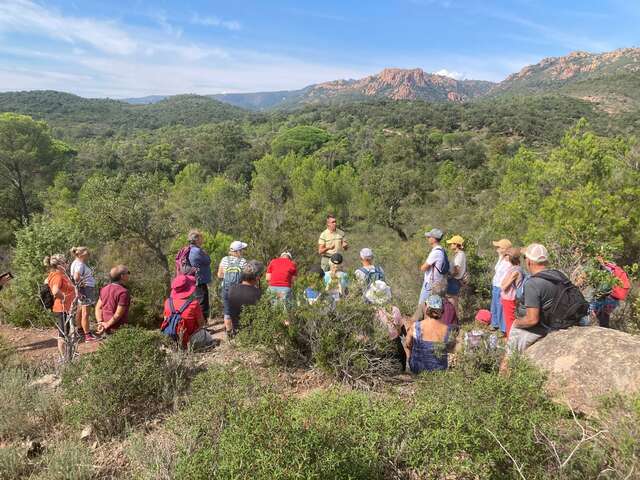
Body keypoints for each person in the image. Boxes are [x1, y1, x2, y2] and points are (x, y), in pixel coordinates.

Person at [506, 244, 563, 355]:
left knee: (509, 359)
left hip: (537, 329)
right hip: (553, 323)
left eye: (525, 258)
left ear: (529, 261)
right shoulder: (558, 275)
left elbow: (532, 320)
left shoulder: (533, 284)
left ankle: (506, 369)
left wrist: (516, 323)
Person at [161, 274, 214, 349]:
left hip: (172, 338)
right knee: (208, 337)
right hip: (190, 339)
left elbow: (166, 320)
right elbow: (201, 324)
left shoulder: (167, 302)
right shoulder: (194, 304)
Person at [405, 295, 455, 374]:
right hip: (439, 370)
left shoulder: (416, 326)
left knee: (410, 345)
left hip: (418, 369)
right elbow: (451, 348)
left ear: (426, 308)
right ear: (441, 310)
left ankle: (409, 367)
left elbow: (408, 344)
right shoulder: (448, 330)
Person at [366, 280, 406, 372]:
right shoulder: (394, 310)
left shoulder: (370, 312)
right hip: (395, 346)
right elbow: (401, 331)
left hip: (378, 347)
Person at [44, 254, 76, 359]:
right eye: (65, 262)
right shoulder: (57, 275)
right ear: (59, 265)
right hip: (61, 308)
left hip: (67, 308)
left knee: (67, 332)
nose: (67, 264)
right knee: (63, 334)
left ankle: (68, 355)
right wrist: (64, 298)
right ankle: (63, 358)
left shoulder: (62, 274)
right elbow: (55, 291)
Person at [218, 240, 248, 337]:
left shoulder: (224, 259)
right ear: (238, 251)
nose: (243, 251)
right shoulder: (243, 261)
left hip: (226, 288)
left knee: (227, 311)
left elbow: (219, 274)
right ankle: (238, 331)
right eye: (242, 250)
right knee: (238, 310)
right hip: (238, 289)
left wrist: (228, 277)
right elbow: (245, 277)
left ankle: (229, 334)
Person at [227, 261, 264, 337]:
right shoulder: (258, 294)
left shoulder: (231, 290)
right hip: (254, 335)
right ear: (257, 277)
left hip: (237, 334)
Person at [69, 246, 98, 342]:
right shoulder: (80, 264)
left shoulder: (75, 263)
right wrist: (81, 285)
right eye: (87, 253)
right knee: (86, 312)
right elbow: (76, 277)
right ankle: (87, 335)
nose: (88, 255)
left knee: (80, 310)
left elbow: (74, 278)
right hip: (85, 289)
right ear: (82, 254)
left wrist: (78, 288)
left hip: (82, 289)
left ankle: (80, 330)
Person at [95, 265, 131, 335]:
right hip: (119, 329)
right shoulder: (123, 292)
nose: (128, 275)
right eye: (128, 273)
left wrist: (100, 323)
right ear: (122, 276)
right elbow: (118, 314)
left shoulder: (104, 289)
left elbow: (98, 308)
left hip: (105, 328)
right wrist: (107, 324)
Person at [187, 230, 212, 320]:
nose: (202, 239)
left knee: (200, 301)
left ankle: (202, 324)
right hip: (199, 281)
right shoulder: (197, 251)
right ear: (196, 239)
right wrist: (205, 254)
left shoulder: (190, 249)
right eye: (201, 238)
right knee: (202, 303)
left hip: (195, 280)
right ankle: (202, 327)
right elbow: (208, 261)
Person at [418, 228, 448, 306]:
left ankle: (421, 319)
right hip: (438, 282)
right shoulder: (441, 250)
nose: (428, 239)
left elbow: (424, 267)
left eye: (429, 237)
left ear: (434, 239)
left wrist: (422, 266)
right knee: (434, 307)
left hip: (430, 284)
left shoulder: (436, 252)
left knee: (422, 307)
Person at [500, 247, 524, 338]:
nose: (505, 257)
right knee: (508, 320)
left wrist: (504, 282)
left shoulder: (515, 271)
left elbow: (504, 286)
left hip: (510, 299)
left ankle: (511, 341)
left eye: (507, 255)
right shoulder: (515, 268)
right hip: (508, 298)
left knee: (510, 320)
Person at [490, 238, 512, 333]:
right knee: (494, 306)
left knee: (500, 307)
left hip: (501, 287)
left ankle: (503, 328)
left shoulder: (508, 261)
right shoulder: (501, 258)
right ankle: (495, 324)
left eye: (499, 247)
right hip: (496, 285)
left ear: (504, 249)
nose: (497, 248)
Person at [445, 235, 467, 313]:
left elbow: (457, 270)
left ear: (456, 244)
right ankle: (454, 319)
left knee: (452, 300)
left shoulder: (459, 255)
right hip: (455, 280)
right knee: (453, 299)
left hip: (454, 281)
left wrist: (449, 276)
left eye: (452, 243)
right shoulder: (459, 254)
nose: (450, 245)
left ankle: (453, 319)